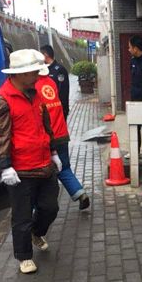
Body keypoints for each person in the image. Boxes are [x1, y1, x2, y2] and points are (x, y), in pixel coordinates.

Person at [0, 49, 62, 274]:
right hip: (21, 169)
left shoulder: (35, 94)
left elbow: (45, 125)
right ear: (19, 74)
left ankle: (37, 233)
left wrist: (53, 152)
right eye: (33, 72)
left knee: (50, 207)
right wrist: (5, 167)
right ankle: (24, 256)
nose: (38, 76)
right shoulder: (2, 100)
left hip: (44, 164)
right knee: (22, 216)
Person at [35, 74, 90, 210]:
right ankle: (79, 192)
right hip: (61, 132)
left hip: (48, 136)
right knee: (64, 167)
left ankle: (38, 207)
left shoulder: (32, 87)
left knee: (41, 172)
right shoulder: (50, 82)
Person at [40, 44, 70, 119]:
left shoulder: (59, 70)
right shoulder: (43, 70)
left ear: (45, 55)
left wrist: (63, 109)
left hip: (59, 109)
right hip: (47, 110)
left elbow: (63, 91)